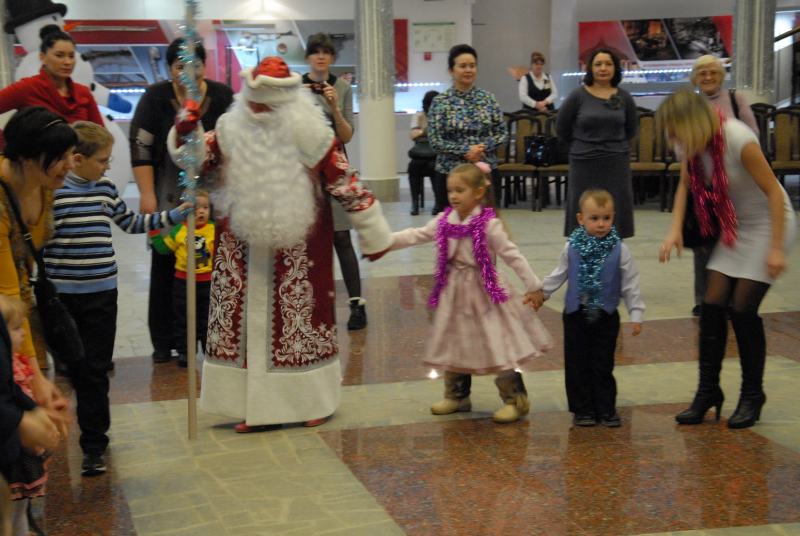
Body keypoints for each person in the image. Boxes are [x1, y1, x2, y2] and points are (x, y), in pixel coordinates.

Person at [171, 57, 392, 431]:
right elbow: (194, 160)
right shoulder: (230, 127)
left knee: (300, 328)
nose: (257, 112)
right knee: (242, 327)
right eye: (253, 103)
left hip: (300, 253)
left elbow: (346, 182)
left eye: (266, 106)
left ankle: (311, 401)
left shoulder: (313, 134)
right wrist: (185, 128)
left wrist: (374, 233)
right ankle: (253, 407)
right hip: (240, 249)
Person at [41, 121, 188, 475]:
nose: (108, 167)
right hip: (61, 298)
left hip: (101, 294)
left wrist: (173, 217)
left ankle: (94, 445)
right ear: (76, 160)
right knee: (65, 370)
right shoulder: (53, 193)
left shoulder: (105, 189)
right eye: (103, 160)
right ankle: (48, 437)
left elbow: (132, 223)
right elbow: (39, 238)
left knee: (94, 370)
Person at [372, 163, 552, 424]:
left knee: (497, 343)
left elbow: (512, 255)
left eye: (460, 190)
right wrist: (385, 242)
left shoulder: (489, 225)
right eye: (450, 190)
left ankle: (515, 399)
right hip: (454, 291)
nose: (454, 196)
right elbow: (417, 235)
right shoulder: (445, 221)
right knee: (453, 341)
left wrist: (533, 285)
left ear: (479, 193)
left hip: (485, 293)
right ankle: (457, 396)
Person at [658, 89, 796, 429]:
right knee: (712, 305)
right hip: (736, 228)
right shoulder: (694, 146)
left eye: (675, 130)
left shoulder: (736, 138)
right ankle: (708, 392)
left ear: (692, 122)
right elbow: (685, 186)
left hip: (769, 223)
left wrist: (777, 248)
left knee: (743, 309)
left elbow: (775, 195)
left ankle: (752, 395)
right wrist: (675, 229)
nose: (673, 138)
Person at [130, 38, 234, 364]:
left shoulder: (223, 96)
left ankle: (215, 339)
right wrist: (147, 195)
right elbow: (141, 147)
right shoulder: (155, 97)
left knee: (217, 267)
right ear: (169, 69)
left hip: (214, 194)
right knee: (165, 268)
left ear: (204, 66)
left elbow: (235, 145)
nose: (188, 72)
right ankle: (165, 342)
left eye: (196, 65)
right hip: (168, 195)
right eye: (179, 66)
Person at [541, 189, 645, 427]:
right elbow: (559, 275)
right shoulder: (571, 247)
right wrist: (541, 292)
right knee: (577, 363)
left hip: (606, 315)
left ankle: (606, 408)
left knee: (603, 363)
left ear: (614, 217)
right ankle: (583, 408)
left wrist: (636, 313)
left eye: (606, 218)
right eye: (594, 218)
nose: (601, 224)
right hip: (576, 314)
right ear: (580, 219)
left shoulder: (620, 249)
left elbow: (631, 283)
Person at [0, 107, 73, 412]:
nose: (70, 164)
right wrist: (33, 371)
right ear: (27, 158)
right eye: (61, 157)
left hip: (19, 307)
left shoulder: (44, 185)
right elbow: (8, 291)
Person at [301, 33, 367, 331]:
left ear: (332, 58)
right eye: (315, 52)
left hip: (336, 167)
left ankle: (357, 305)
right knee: (307, 240)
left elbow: (348, 134)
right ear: (308, 58)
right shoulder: (296, 87)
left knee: (341, 236)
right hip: (304, 172)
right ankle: (309, 305)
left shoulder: (341, 87)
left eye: (326, 52)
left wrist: (335, 106)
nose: (321, 57)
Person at [687, 54, 760, 317]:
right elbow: (679, 143)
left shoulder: (735, 99)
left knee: (733, 241)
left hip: (733, 184)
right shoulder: (691, 104)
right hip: (702, 185)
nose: (708, 78)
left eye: (713, 73)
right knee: (703, 244)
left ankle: (729, 298)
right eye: (702, 73)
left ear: (721, 75)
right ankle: (704, 301)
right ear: (695, 78)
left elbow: (753, 134)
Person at [556, 48, 637, 239]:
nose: (603, 68)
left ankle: (613, 258)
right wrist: (583, 145)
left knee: (615, 211)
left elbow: (631, 130)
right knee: (583, 210)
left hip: (616, 163)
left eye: (608, 64)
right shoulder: (578, 95)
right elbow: (561, 128)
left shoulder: (624, 97)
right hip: (584, 163)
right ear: (590, 68)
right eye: (598, 64)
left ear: (615, 69)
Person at [0, 306, 60, 536]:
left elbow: (10, 390)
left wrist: (35, 411)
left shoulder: (14, 361)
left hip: (16, 443)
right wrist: (22, 420)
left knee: (16, 508)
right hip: (12, 446)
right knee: (12, 507)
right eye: (16, 329)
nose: (24, 333)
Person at [428, 44, 509, 214]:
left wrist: (480, 149)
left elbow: (503, 134)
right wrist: (466, 150)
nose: (468, 70)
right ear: (451, 70)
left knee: (486, 228)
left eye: (472, 66)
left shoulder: (488, 99)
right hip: (451, 174)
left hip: (484, 172)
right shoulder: (441, 102)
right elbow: (435, 141)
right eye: (462, 66)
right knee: (452, 228)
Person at [149, 191, 213, 368]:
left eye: (205, 207)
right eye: (196, 207)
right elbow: (163, 249)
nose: (201, 211)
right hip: (183, 283)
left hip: (207, 284)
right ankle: (186, 351)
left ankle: (209, 351)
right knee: (183, 318)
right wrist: (153, 232)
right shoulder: (180, 230)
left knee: (207, 318)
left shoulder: (213, 229)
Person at [0, 25, 104, 128]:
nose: (67, 62)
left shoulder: (83, 93)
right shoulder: (27, 88)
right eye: (59, 55)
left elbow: (103, 138)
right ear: (43, 58)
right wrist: (6, 142)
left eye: (71, 56)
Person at [408, 90, 440, 215]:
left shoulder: (442, 116)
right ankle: (414, 202)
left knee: (434, 166)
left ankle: (438, 202)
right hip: (421, 153)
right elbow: (413, 135)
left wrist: (422, 132)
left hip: (436, 153)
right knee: (413, 166)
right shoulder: (419, 116)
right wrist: (428, 132)